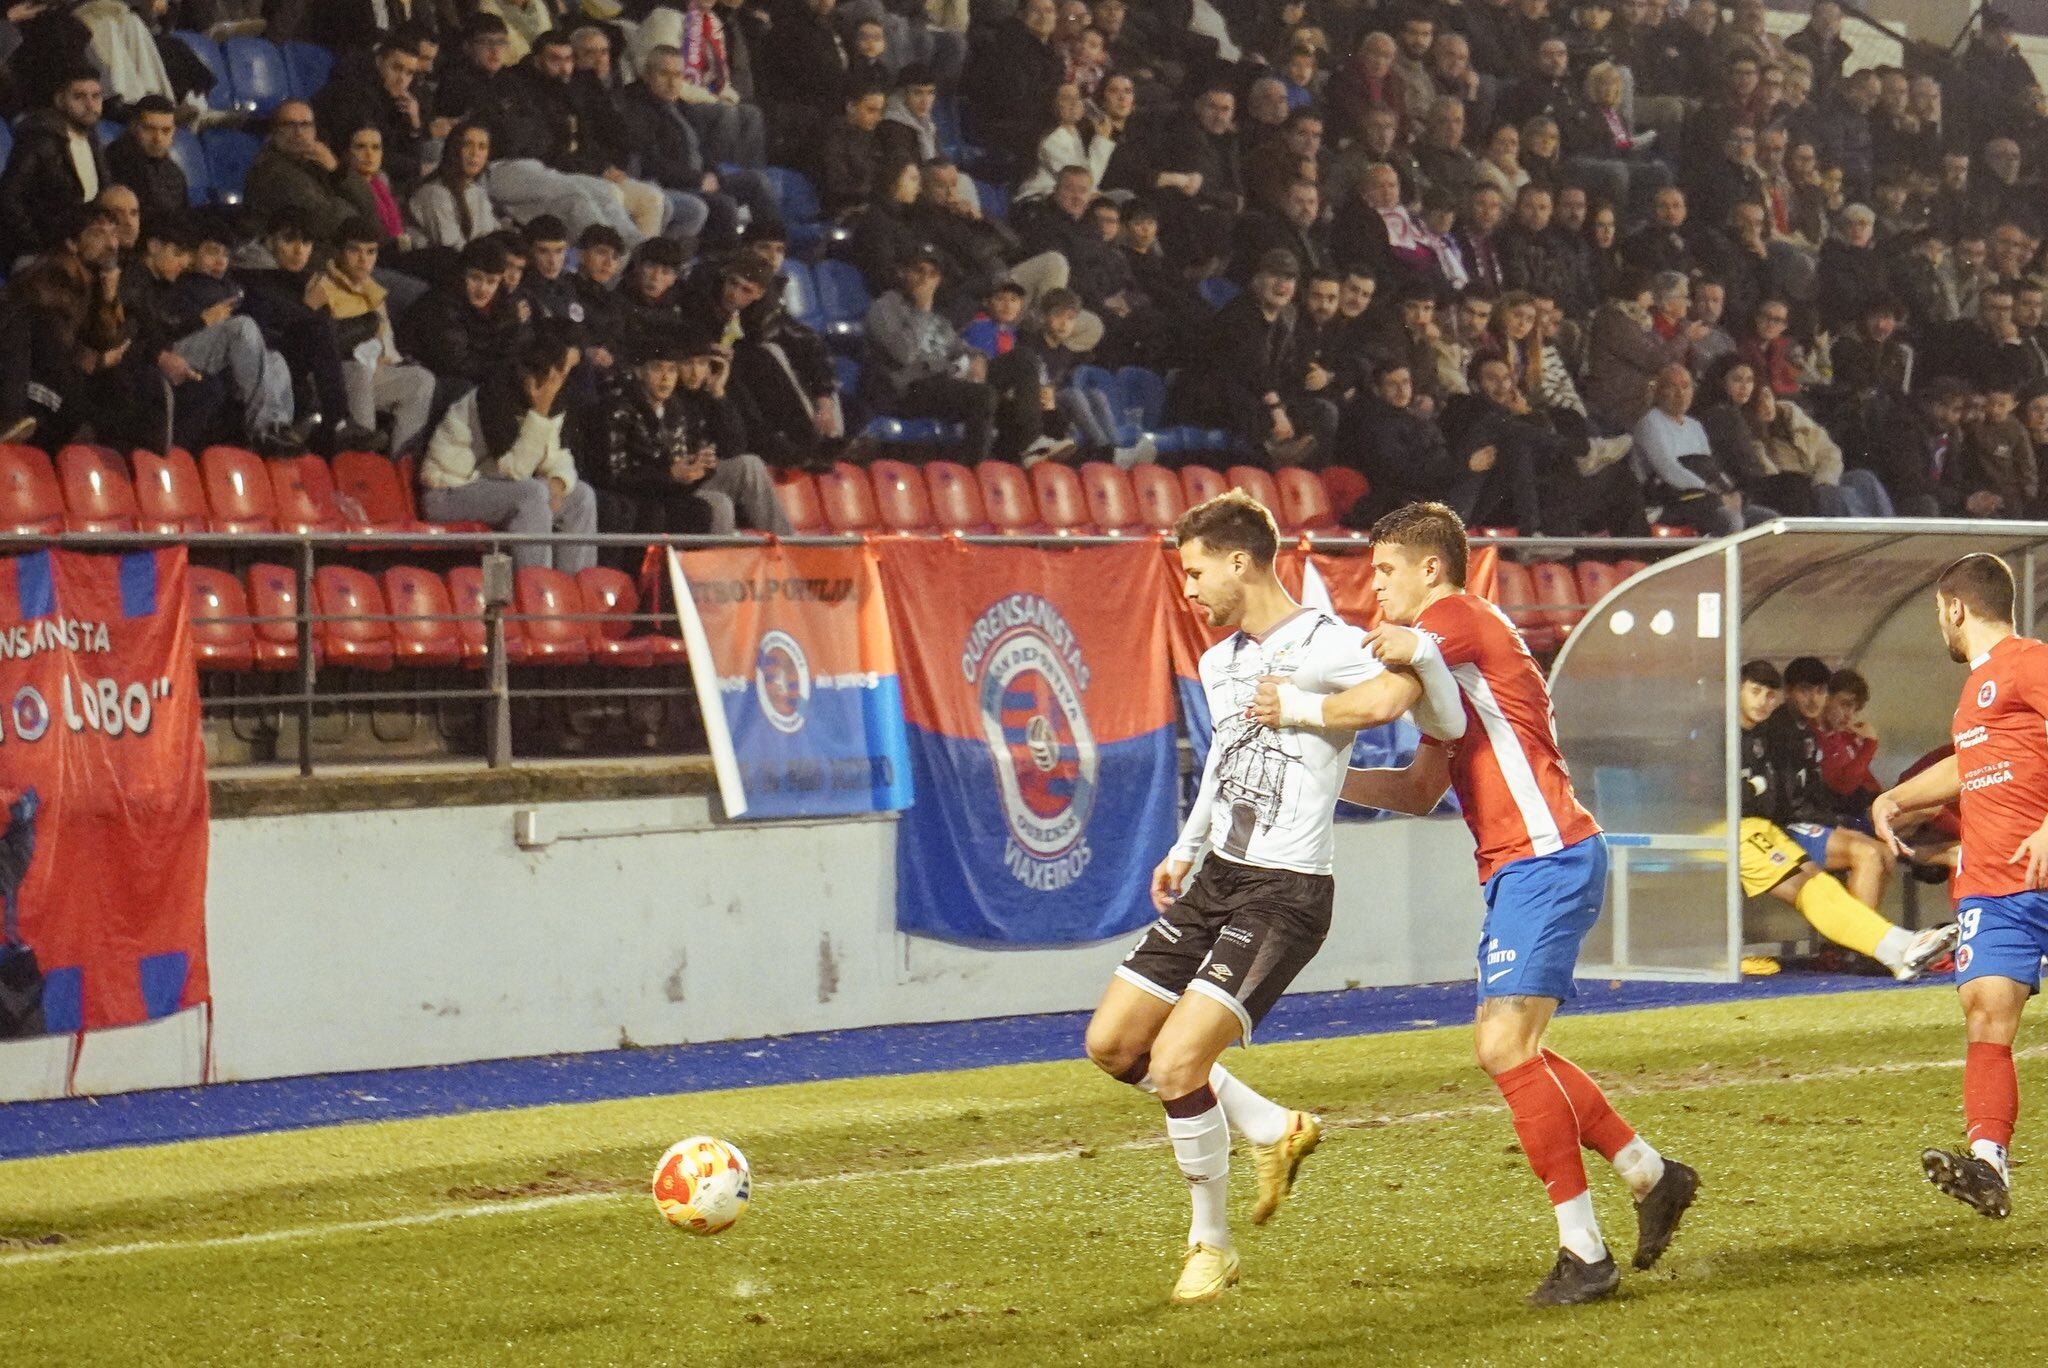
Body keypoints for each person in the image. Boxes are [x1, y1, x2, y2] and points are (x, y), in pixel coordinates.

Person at [1253, 501, 1697, 1306]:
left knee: (1502, 1049)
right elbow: (1424, 790)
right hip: (1524, 865)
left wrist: (1296, 709)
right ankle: (1648, 1174)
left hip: (1546, 856)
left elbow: (1380, 690)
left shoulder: (1457, 615)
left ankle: (1585, 1254)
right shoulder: (1447, 669)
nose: (1375, 585)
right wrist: (1325, 785)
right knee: (1514, 1049)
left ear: (1431, 568)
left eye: (1386, 570)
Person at [1084, 490, 1462, 1305]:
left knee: (1182, 1059)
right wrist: (1185, 847)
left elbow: (1404, 702)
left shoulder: (1325, 643)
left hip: (1285, 891)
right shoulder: (1221, 661)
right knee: (1114, 1045)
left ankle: (1208, 1247)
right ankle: (1269, 1124)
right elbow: (1226, 759)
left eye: (1194, 573)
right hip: (1219, 873)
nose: (1189, 590)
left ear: (1240, 562)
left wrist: (1311, 703)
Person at [1873, 554, 2048, 1218]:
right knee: (1986, 1016)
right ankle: (1989, 1165)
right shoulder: (1977, 692)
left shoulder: (2028, 661)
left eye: (1936, 615)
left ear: (1953, 608)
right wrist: (1899, 798)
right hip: (1997, 885)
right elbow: (1972, 766)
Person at [1738, 658, 1956, 977]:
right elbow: (1828, 787)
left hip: (1783, 825)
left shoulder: (1792, 732)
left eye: (1768, 695)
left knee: (1837, 873)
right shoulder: (1768, 730)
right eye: (1755, 692)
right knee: (1856, 859)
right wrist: (1867, 748)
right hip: (1755, 828)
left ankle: (1888, 945)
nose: (1763, 702)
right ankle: (1873, 949)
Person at [419, 323, 597, 571]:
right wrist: (540, 412)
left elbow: (559, 456)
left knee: (582, 497)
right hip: (450, 490)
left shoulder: (556, 398)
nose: (562, 379)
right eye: (559, 371)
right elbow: (514, 470)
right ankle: (536, 588)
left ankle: (573, 594)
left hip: (497, 488)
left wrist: (557, 483)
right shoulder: (495, 394)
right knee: (532, 494)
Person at [1778, 655, 1896, 909]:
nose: (1813, 699)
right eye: (1805, 690)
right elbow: (1838, 787)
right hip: (1797, 825)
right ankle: (1854, 942)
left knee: (1888, 851)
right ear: (1788, 691)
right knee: (1873, 852)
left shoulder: (1826, 736)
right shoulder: (1790, 732)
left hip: (1826, 818)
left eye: (1819, 691)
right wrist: (1869, 746)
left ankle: (1856, 942)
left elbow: (1865, 786)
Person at [325, 218, 437, 457]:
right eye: (354, 250)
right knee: (359, 372)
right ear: (339, 252)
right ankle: (363, 457)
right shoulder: (323, 288)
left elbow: (387, 346)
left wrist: (391, 360)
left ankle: (402, 460)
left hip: (373, 374)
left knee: (421, 379)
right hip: (334, 379)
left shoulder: (373, 291)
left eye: (371, 252)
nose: (363, 259)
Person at [0, 66, 109, 264]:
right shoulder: (38, 139)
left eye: (96, 96)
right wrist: (39, 243)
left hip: (83, 247)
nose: (90, 104)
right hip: (42, 252)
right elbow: (8, 199)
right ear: (60, 100)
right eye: (79, 97)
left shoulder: (93, 138)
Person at [105, 95, 186, 225]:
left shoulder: (174, 173)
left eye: (166, 131)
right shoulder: (115, 161)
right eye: (149, 129)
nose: (158, 138)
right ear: (134, 127)